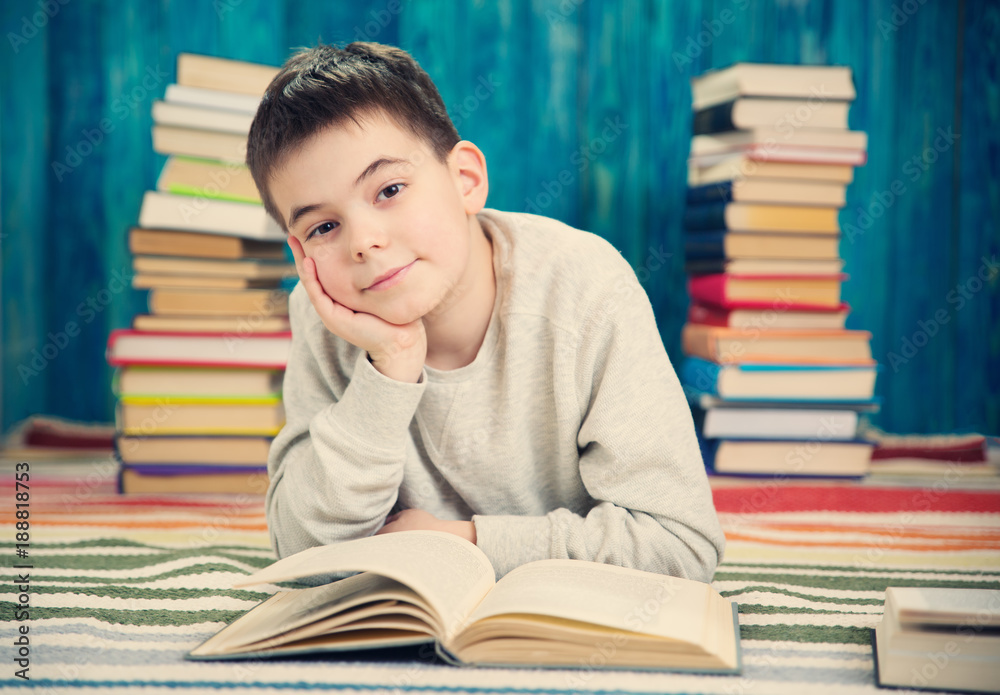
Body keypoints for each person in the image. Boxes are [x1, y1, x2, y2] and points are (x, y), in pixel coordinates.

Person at [246, 41, 725, 582]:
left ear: (465, 180)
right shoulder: (327, 314)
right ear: (301, 252)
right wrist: (391, 365)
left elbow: (680, 546)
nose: (363, 242)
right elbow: (301, 552)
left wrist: (461, 542)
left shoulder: (585, 287)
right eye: (323, 228)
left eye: (390, 189)